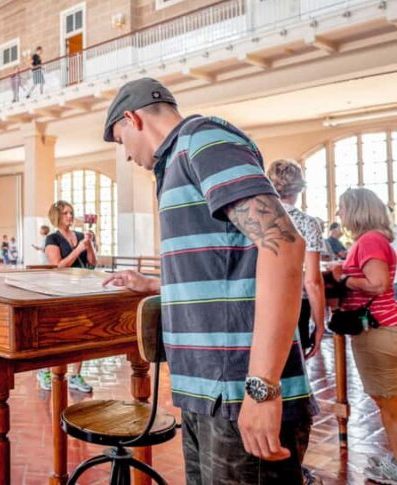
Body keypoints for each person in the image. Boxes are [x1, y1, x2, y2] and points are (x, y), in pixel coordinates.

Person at [102, 78, 315, 483]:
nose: (126, 155)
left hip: (239, 390)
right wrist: (155, 285)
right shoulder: (177, 162)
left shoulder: (203, 140)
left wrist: (262, 389)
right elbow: (228, 265)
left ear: (133, 118)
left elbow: (284, 246)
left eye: (120, 139)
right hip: (208, 393)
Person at [329, 188, 397, 483]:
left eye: (342, 208)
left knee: (389, 405)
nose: (339, 215)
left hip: (377, 330)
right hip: (384, 328)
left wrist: (342, 277)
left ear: (356, 210)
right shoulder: (373, 240)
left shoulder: (369, 239)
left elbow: (379, 284)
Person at [267, 159, 326, 359]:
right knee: (294, 372)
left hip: (260, 303)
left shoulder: (256, 222)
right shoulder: (308, 224)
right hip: (294, 305)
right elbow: (312, 282)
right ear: (299, 188)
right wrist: (320, 324)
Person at [38, 200, 97, 394]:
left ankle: (76, 375)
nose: (70, 217)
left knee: (81, 333)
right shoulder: (52, 239)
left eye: (71, 213)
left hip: (81, 288)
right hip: (60, 290)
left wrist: (88, 246)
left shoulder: (79, 235)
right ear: (56, 217)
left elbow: (92, 264)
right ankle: (45, 371)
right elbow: (59, 266)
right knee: (57, 333)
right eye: (65, 213)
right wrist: (79, 249)